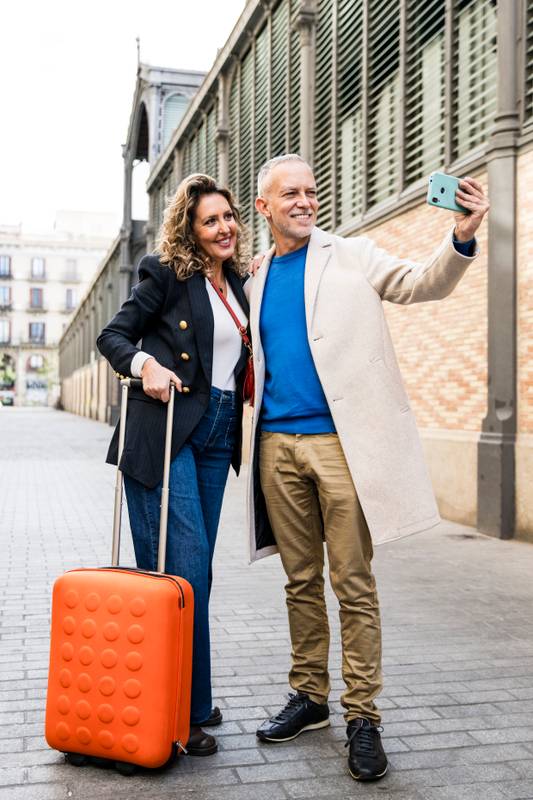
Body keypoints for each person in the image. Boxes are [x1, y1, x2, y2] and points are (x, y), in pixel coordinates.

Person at [245, 154, 489, 781]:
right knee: (299, 580)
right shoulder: (253, 276)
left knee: (352, 582)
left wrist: (460, 236)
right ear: (264, 206)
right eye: (290, 194)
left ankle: (363, 716)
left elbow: (422, 282)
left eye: (311, 191)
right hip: (275, 447)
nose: (305, 201)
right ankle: (309, 696)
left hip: (341, 446)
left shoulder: (353, 254)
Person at [97, 173, 251, 756]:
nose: (224, 227)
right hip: (165, 432)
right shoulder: (164, 273)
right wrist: (146, 367)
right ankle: (177, 715)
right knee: (181, 569)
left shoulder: (239, 282)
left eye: (229, 216)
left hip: (218, 433)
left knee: (196, 573)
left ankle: (194, 697)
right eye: (210, 220)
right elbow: (112, 336)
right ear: (189, 227)